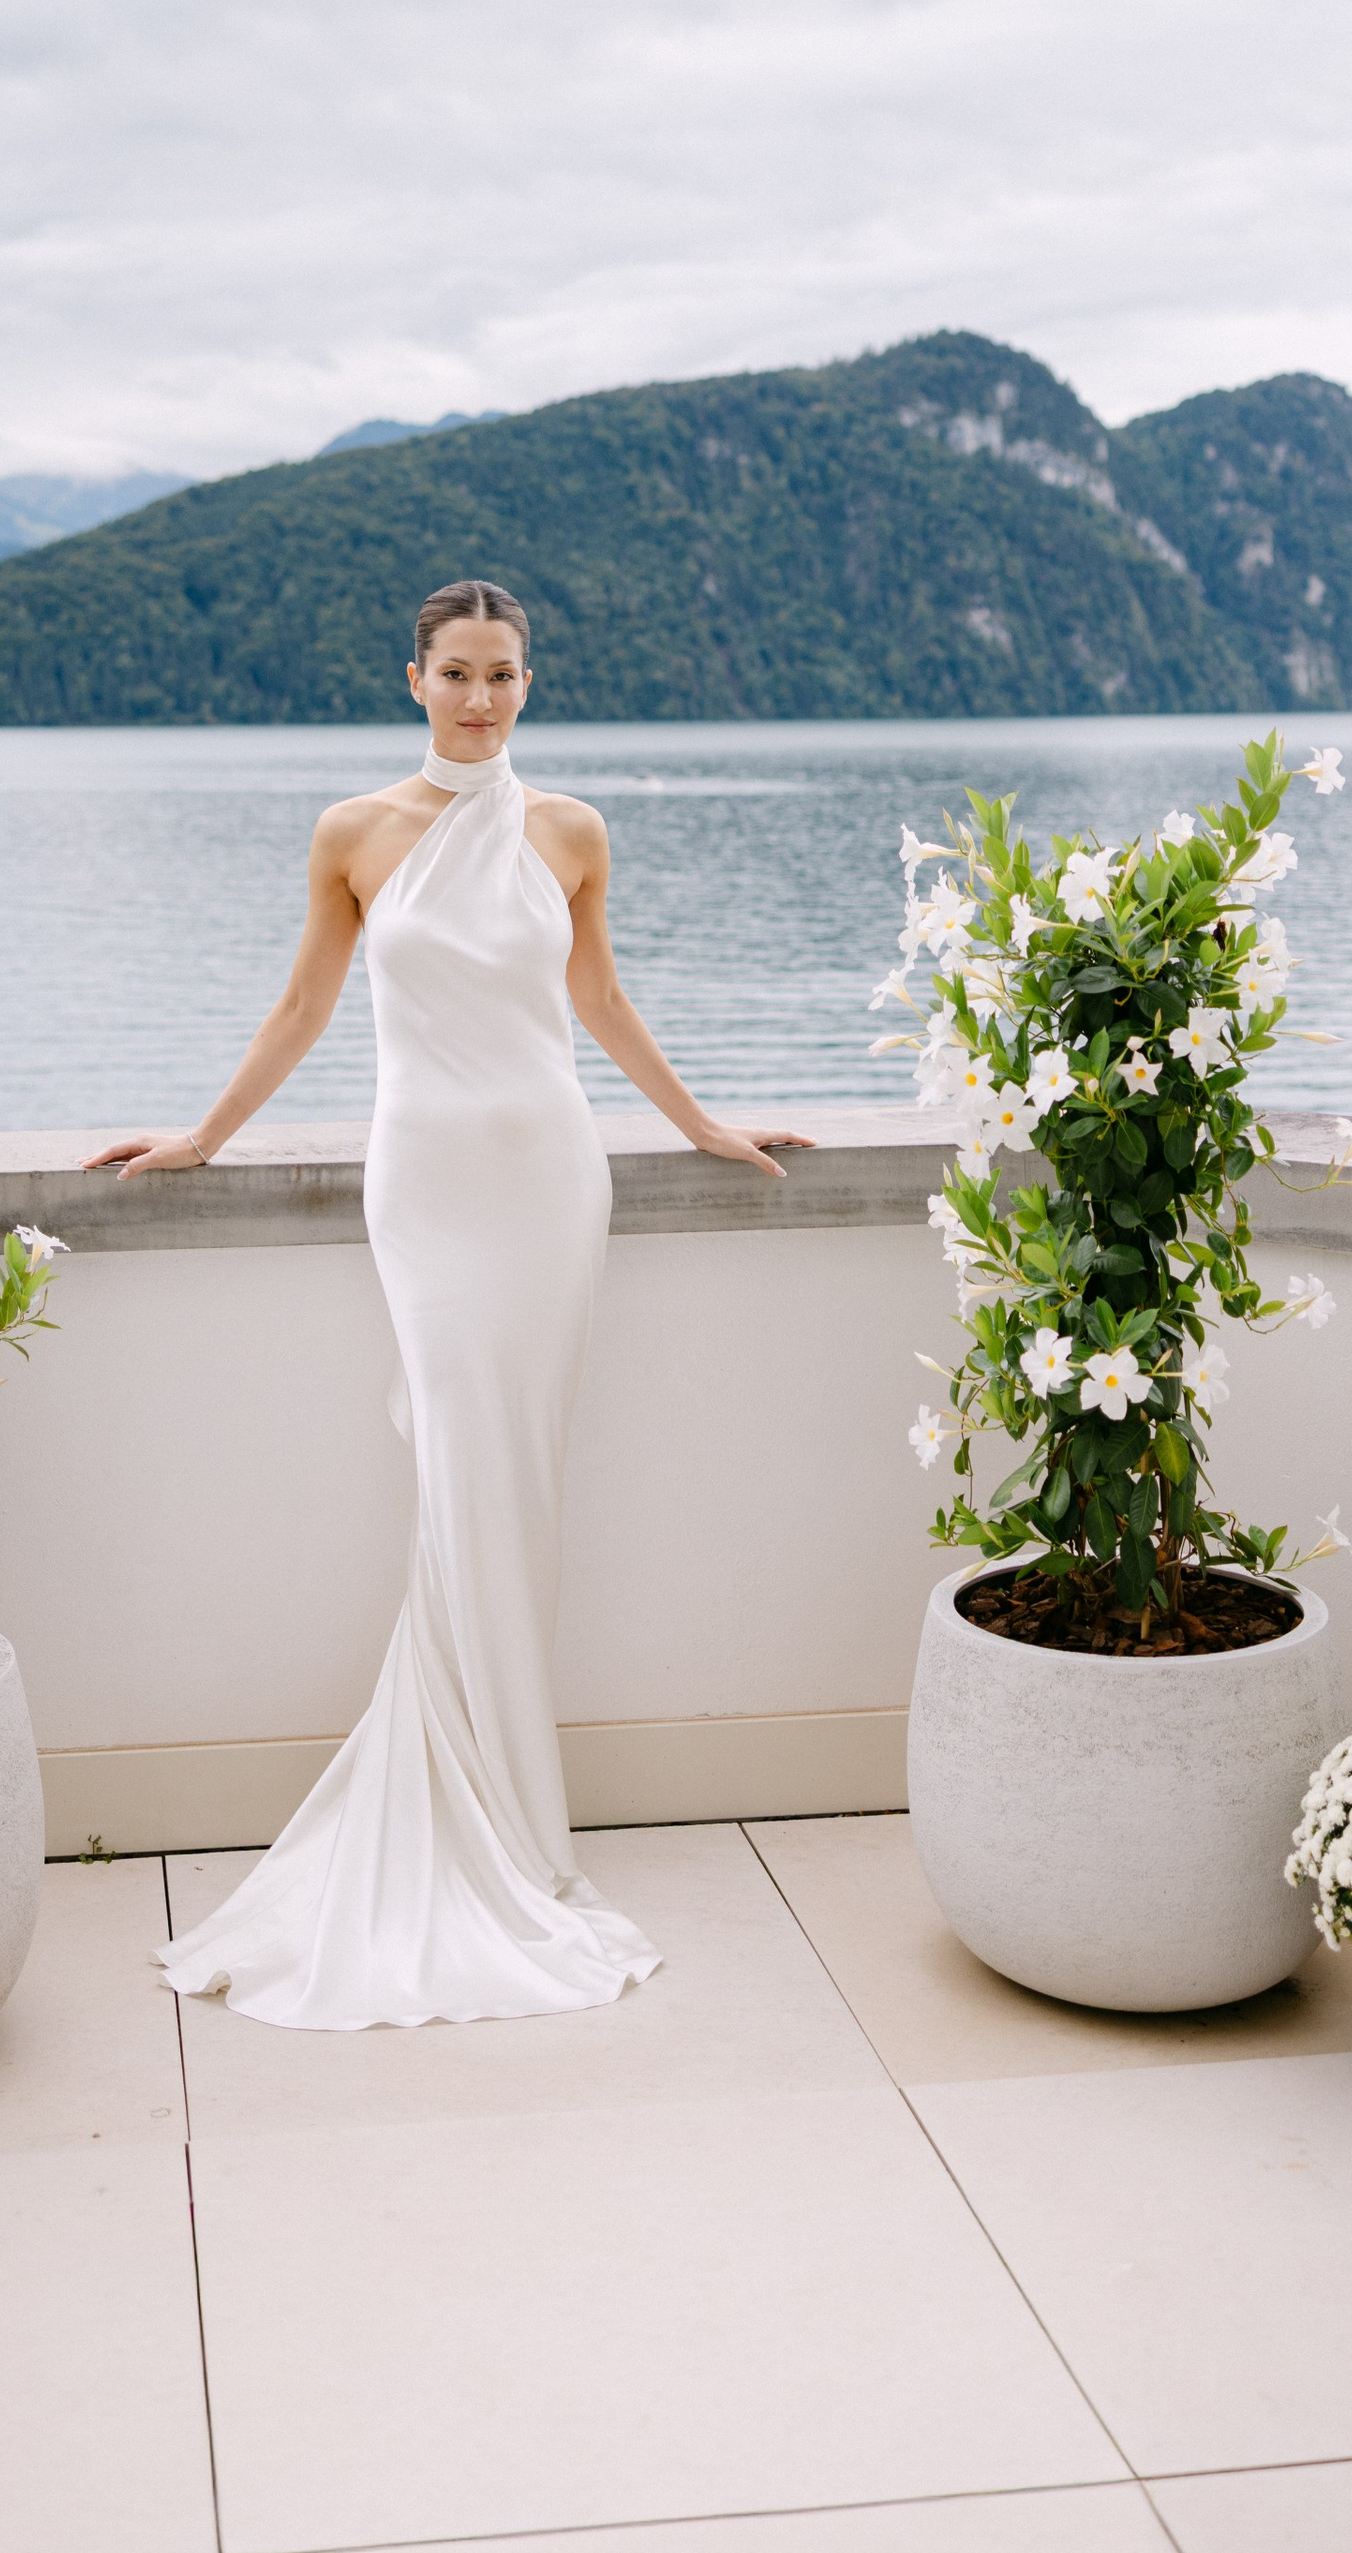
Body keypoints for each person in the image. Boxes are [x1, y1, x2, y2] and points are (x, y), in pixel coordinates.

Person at [87, 577, 812, 2030]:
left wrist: (703, 1124)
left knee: (517, 1489)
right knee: (454, 1480)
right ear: (411, 676)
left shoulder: (571, 831)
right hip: (423, 1193)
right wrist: (199, 1138)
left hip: (548, 1183)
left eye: (504, 674)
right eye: (456, 672)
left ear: (528, 683)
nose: (480, 697)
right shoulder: (353, 834)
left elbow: (599, 1004)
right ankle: (470, 1808)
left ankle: (511, 1823)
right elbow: (303, 1006)